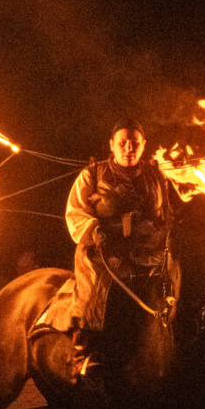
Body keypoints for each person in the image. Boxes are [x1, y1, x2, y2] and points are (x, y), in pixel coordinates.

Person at [65, 118, 175, 369]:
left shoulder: (157, 176)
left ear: (143, 145)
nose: (129, 148)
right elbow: (75, 214)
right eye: (123, 143)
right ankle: (85, 352)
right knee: (97, 290)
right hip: (104, 254)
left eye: (134, 143)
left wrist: (155, 232)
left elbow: (166, 217)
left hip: (147, 254)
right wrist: (97, 231)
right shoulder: (92, 174)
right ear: (112, 146)